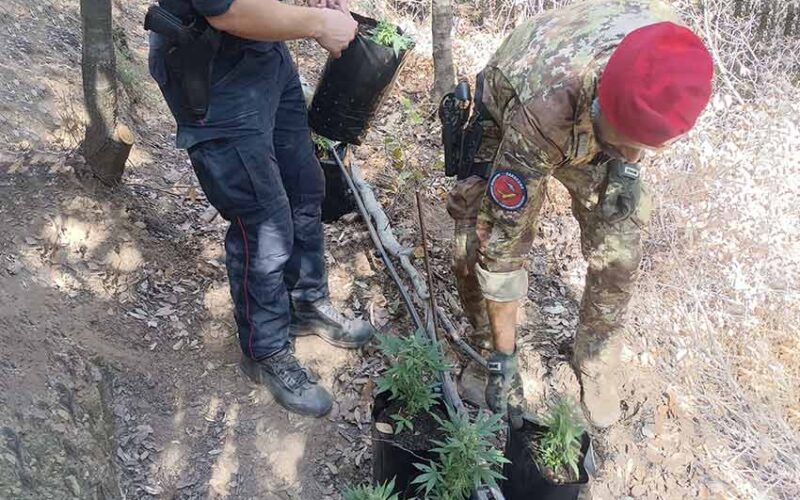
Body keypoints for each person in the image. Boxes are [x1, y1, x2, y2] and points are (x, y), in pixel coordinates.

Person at [445, 0, 714, 428]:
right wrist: (504, 352)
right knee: (476, 242)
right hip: (518, 106)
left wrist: (625, 160)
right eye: (625, 141)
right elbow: (503, 252)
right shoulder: (543, 111)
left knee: (621, 247)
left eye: (643, 147)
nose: (632, 155)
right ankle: (487, 354)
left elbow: (633, 138)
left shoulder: (671, 57)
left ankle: (595, 362)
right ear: (602, 107)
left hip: (595, 120)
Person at [148, 0, 375, 418]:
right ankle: (265, 350)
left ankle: (305, 302)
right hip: (212, 69)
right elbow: (226, 11)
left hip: (265, 54)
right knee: (262, 219)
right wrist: (318, 23)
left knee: (305, 186)